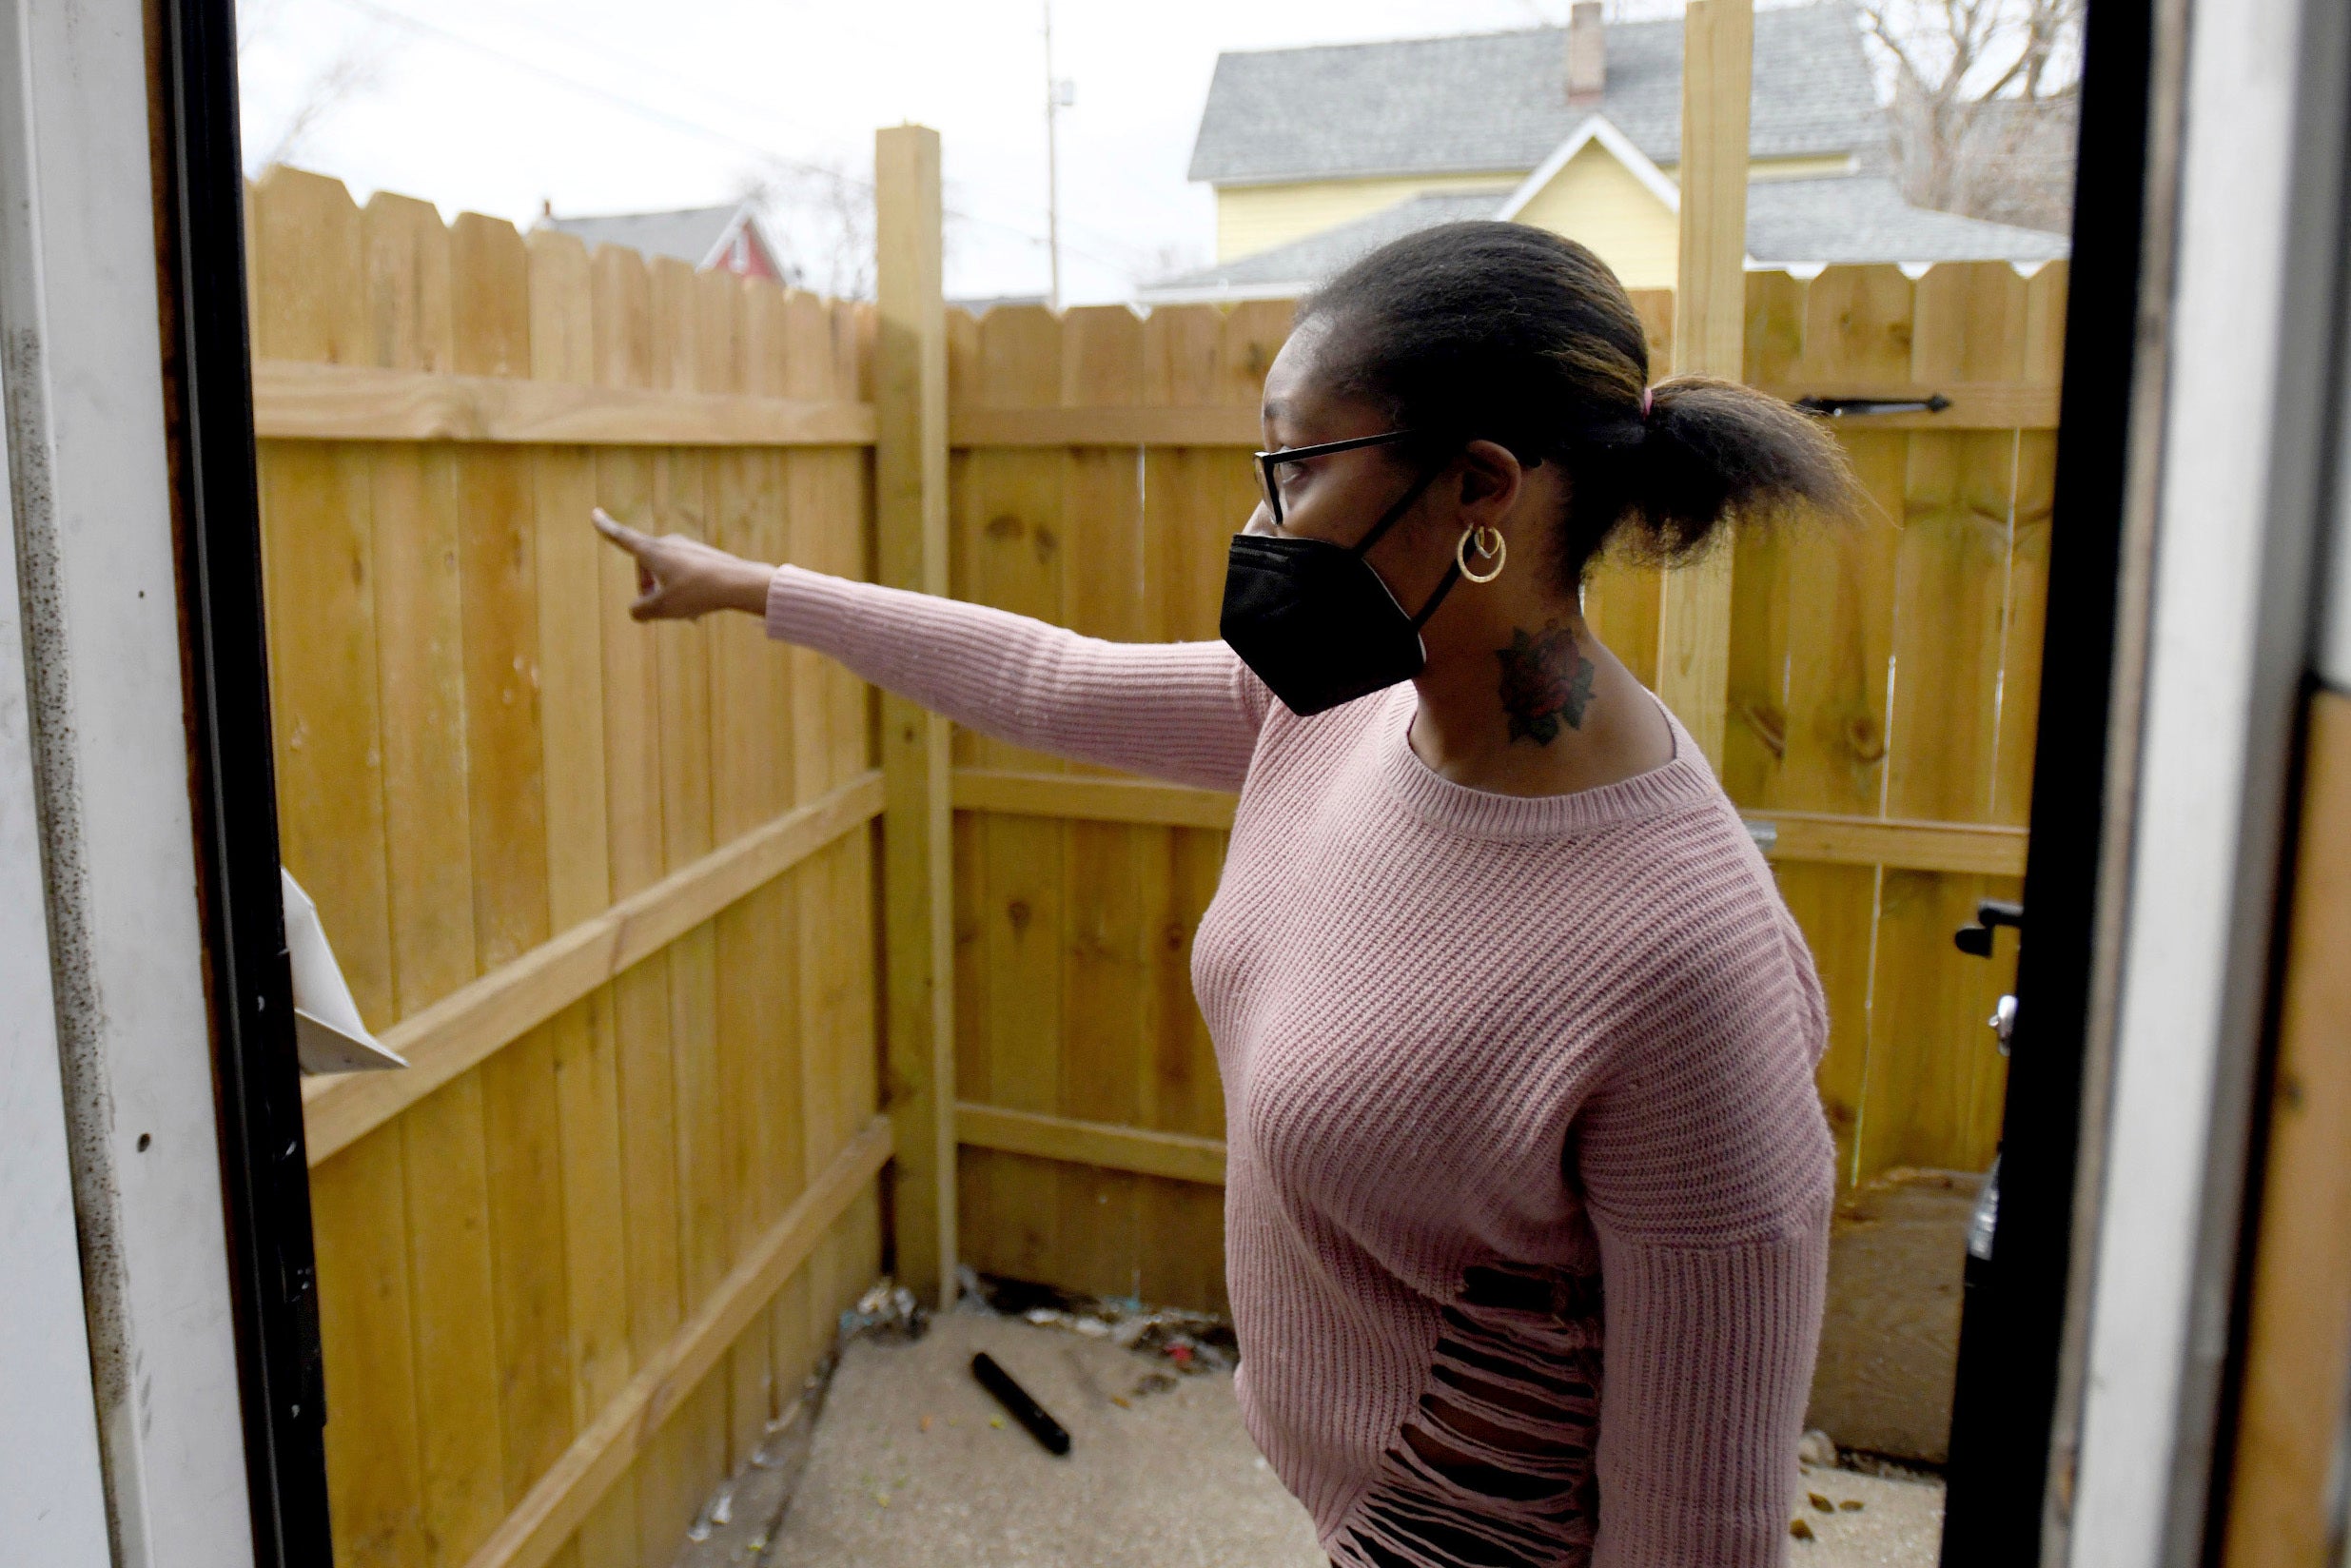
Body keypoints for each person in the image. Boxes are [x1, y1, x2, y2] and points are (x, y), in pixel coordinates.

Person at [594, 221, 1856, 1568]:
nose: (1257, 526)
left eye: (1297, 470)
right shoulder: (1345, 711)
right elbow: (1053, 681)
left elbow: (1703, 1536)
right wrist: (757, 588)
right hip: (1346, 1508)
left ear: (1480, 487)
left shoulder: (1685, 958)